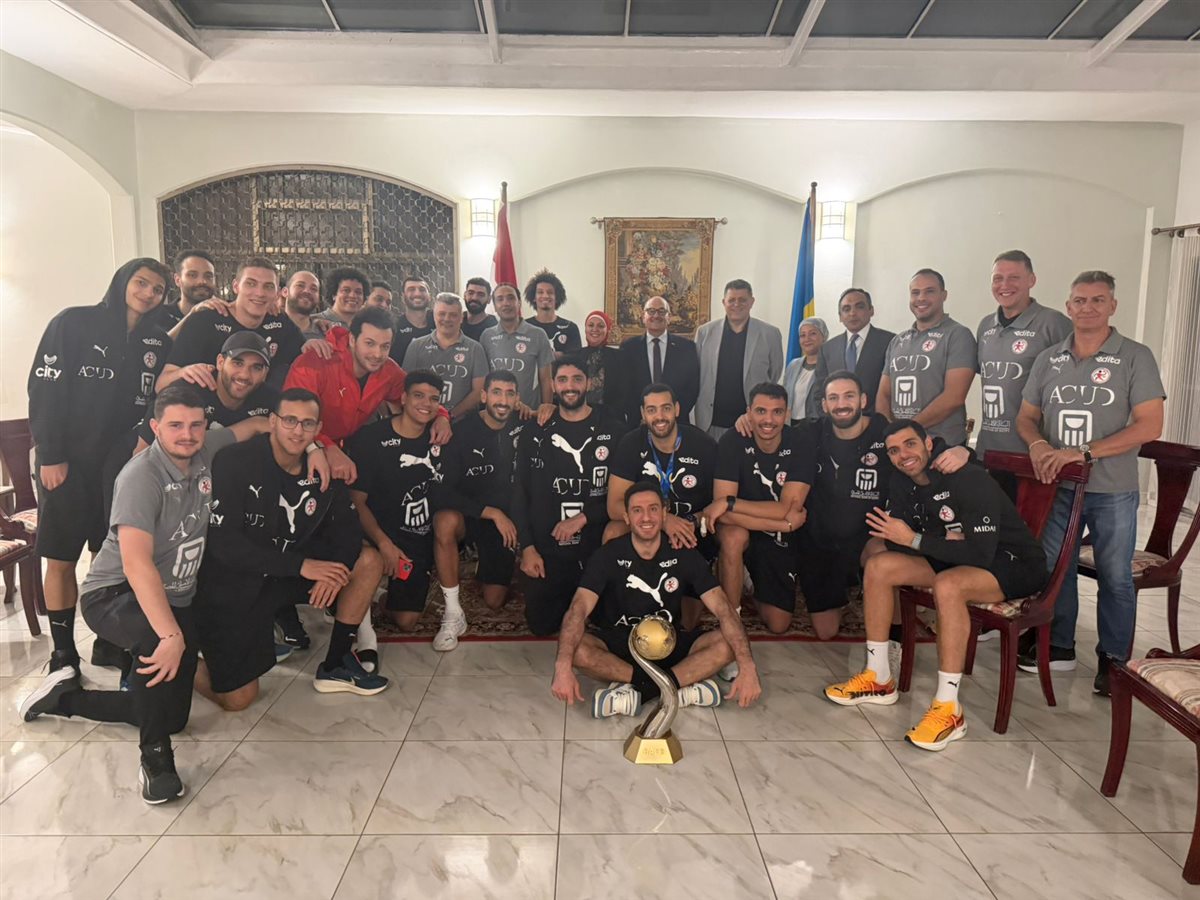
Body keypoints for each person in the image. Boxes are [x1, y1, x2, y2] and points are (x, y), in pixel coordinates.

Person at [18, 385, 307, 803]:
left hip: (175, 595)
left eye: (195, 425)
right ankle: (155, 762)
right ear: (155, 427)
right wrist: (171, 635)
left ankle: (65, 699)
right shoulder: (141, 477)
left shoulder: (206, 449)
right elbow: (137, 565)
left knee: (170, 716)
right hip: (114, 593)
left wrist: (318, 449)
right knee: (159, 642)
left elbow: (257, 425)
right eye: (175, 426)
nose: (186, 434)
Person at [824, 419, 1049, 751]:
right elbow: (895, 539)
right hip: (956, 555)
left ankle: (948, 709)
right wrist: (937, 537)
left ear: (928, 443)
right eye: (894, 451)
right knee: (879, 566)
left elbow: (979, 553)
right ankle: (878, 677)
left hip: (1010, 562)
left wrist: (918, 538)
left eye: (910, 444)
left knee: (948, 585)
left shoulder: (968, 477)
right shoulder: (900, 481)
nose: (903, 455)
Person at [1015, 270, 1165, 694]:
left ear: (1113, 306)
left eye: (1098, 300)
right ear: (1068, 307)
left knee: (1115, 577)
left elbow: (1150, 425)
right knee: (1054, 568)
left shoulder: (1135, 356)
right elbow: (1026, 417)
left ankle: (1114, 661)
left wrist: (1084, 452)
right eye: (1080, 300)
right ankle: (1059, 646)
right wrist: (1038, 444)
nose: (1088, 308)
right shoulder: (1049, 358)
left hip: (1111, 490)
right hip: (1057, 487)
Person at [193, 389, 386, 709]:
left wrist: (336, 571)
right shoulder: (234, 461)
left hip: (287, 576)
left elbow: (349, 531)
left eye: (307, 423)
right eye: (290, 421)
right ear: (272, 422)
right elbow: (224, 545)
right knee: (238, 699)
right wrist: (302, 566)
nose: (298, 431)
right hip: (238, 584)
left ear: (318, 429)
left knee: (368, 561)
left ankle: (336, 665)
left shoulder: (324, 466)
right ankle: (184, 661)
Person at [27, 257, 174, 679]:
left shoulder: (157, 342)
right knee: (61, 556)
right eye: (141, 283)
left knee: (108, 557)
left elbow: (154, 400)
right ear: (123, 281)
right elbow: (44, 388)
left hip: (120, 468)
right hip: (67, 463)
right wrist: (51, 454)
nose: (148, 293)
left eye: (157, 289)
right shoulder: (73, 323)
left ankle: (108, 641)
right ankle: (63, 652)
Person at [551, 481, 763, 717]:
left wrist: (748, 667)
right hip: (621, 645)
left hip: (669, 642)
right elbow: (578, 609)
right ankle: (677, 689)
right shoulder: (607, 555)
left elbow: (723, 609)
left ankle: (638, 692)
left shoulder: (684, 552)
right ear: (627, 517)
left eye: (653, 509)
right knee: (576, 650)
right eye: (637, 510)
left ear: (664, 513)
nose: (646, 517)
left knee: (728, 645)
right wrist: (562, 668)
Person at [796, 371, 969, 641]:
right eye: (834, 398)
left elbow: (928, 449)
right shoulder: (810, 433)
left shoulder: (885, 431)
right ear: (825, 405)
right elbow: (771, 432)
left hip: (871, 535)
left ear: (863, 400)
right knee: (826, 632)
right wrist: (745, 419)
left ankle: (895, 637)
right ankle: (849, 591)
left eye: (849, 396)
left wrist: (962, 450)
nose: (842, 404)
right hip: (823, 542)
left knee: (882, 557)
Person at [514, 359, 626, 635]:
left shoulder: (612, 428)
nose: (570, 386)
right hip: (549, 547)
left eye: (577, 379)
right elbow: (520, 493)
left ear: (588, 383)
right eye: (562, 380)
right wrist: (527, 548)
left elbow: (623, 497)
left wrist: (584, 518)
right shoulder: (535, 429)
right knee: (542, 625)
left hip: (595, 547)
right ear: (553, 385)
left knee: (608, 620)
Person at [283, 306, 451, 485]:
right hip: (299, 446)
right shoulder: (315, 362)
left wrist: (442, 416)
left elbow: (415, 396)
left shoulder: (388, 370)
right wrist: (325, 447)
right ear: (352, 339)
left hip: (349, 450)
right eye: (370, 343)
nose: (377, 354)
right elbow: (291, 416)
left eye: (385, 346)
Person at [700, 382, 810, 634]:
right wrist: (784, 525)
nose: (768, 420)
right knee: (734, 537)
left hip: (771, 534)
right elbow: (721, 514)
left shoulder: (800, 442)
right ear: (748, 412)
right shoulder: (732, 440)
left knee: (779, 624)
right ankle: (732, 620)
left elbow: (788, 507)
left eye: (777, 412)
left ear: (787, 413)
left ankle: (748, 582)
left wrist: (731, 503)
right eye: (761, 411)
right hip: (741, 527)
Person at [347, 371, 447, 634]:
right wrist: (383, 543)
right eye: (418, 395)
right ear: (403, 398)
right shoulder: (371, 438)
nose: (426, 404)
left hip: (416, 537)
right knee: (363, 562)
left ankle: (381, 596)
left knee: (406, 621)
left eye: (434, 399)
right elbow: (356, 502)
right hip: (374, 534)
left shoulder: (439, 438)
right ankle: (357, 590)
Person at [431, 371, 525, 651]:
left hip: (504, 522)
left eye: (509, 393)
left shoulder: (524, 425)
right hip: (471, 515)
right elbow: (442, 491)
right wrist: (491, 512)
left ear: (517, 399)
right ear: (483, 396)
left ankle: (484, 564)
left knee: (494, 600)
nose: (503, 400)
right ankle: (452, 613)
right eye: (496, 392)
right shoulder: (461, 432)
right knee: (444, 522)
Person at [975, 250, 1072, 499]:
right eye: (998, 278)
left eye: (1014, 277)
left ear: (1032, 280)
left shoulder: (1053, 323)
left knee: (1030, 523)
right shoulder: (985, 326)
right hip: (990, 451)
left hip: (1033, 455)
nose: (1004, 285)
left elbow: (1070, 383)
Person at [160, 256, 305, 392]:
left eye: (268, 286)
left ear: (277, 293)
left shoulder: (279, 322)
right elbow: (162, 383)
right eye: (251, 284)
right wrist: (184, 372)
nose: (260, 293)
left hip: (261, 409)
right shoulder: (205, 320)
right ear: (236, 286)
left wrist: (312, 343)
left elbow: (305, 354)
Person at [608, 383, 718, 558]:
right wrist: (663, 521)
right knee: (613, 531)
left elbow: (719, 502)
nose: (659, 417)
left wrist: (694, 521)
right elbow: (614, 506)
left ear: (677, 409)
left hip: (693, 526)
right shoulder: (630, 444)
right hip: (646, 524)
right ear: (643, 413)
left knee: (729, 535)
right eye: (651, 410)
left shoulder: (704, 444)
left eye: (666, 408)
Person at [878, 269, 978, 447]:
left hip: (943, 445)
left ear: (944, 295)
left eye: (929, 291)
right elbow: (884, 394)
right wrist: (891, 431)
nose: (921, 298)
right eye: (915, 292)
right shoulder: (897, 341)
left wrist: (907, 430)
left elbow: (954, 397)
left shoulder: (958, 335)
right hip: (900, 446)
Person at [133, 332, 278, 454]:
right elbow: (141, 454)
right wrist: (254, 425)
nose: (245, 375)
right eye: (237, 363)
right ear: (220, 362)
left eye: (257, 368)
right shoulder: (184, 392)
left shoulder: (271, 401)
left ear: (266, 373)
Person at [694, 279, 784, 438]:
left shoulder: (770, 334)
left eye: (742, 300)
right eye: (731, 300)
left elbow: (774, 374)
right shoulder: (704, 333)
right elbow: (697, 374)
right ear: (724, 302)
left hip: (751, 424)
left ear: (752, 302)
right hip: (711, 423)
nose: (737, 304)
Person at [402, 292, 489, 418]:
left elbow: (478, 392)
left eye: (453, 315)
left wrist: (448, 416)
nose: (447, 319)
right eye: (442, 314)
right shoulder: (416, 346)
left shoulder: (475, 349)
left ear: (461, 318)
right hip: (421, 421)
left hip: (461, 422)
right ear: (434, 315)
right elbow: (405, 387)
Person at [810, 288, 894, 418]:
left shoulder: (891, 342)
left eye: (859, 307)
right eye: (846, 309)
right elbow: (819, 392)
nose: (852, 313)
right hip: (836, 423)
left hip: (876, 423)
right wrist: (830, 421)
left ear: (871, 310)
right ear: (840, 316)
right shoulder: (827, 349)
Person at [616, 295, 700, 425]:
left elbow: (692, 388)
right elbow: (623, 388)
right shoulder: (628, 348)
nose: (656, 315)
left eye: (662, 311)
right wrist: (643, 415)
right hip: (639, 423)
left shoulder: (687, 347)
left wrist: (672, 415)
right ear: (643, 317)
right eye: (651, 311)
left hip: (676, 423)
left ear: (669, 317)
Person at [479, 282, 555, 418]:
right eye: (500, 299)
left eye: (511, 298)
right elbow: (483, 380)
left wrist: (545, 410)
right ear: (494, 306)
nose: (506, 303)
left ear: (519, 303)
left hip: (528, 414)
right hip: (496, 414)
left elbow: (546, 379)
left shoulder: (538, 335)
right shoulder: (486, 336)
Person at [154, 250, 217, 334]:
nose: (202, 281)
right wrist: (191, 315)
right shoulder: (159, 315)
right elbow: (160, 342)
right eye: (192, 275)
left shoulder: (223, 316)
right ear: (177, 280)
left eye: (208, 276)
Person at [782, 316, 827, 425]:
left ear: (824, 336)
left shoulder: (830, 365)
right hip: (791, 423)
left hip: (818, 425)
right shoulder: (793, 365)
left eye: (812, 333)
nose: (807, 339)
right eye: (802, 335)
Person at [524, 269, 581, 356]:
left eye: (550, 292)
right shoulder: (524, 327)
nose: (545, 296)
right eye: (540, 292)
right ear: (534, 297)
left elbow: (575, 359)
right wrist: (560, 355)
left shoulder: (570, 328)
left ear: (557, 297)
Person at [576, 310, 624, 411]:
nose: (595, 329)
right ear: (585, 329)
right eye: (591, 325)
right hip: (579, 413)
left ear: (608, 330)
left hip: (611, 415)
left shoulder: (620, 357)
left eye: (601, 326)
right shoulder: (574, 356)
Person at [389, 275, 435, 364]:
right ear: (403, 297)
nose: (417, 294)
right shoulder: (394, 327)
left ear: (429, 296)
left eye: (422, 289)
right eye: (411, 289)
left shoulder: (439, 322)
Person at [281, 270, 325, 340]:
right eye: (300, 285)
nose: (307, 291)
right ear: (285, 292)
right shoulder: (269, 329)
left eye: (313, 289)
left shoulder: (327, 333)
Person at [461, 276, 497, 342]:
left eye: (481, 295)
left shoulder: (495, 326)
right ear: (464, 296)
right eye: (470, 293)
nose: (474, 298)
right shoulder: (455, 322)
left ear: (489, 299)